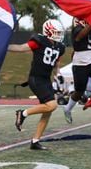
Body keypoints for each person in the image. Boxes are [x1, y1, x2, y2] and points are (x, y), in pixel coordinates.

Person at [9, 19, 66, 150]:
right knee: (52, 105)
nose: (58, 35)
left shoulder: (59, 47)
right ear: (48, 31)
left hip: (46, 80)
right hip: (36, 79)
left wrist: (58, 73)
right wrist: (5, 47)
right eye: (56, 32)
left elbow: (56, 63)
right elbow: (21, 48)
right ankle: (22, 113)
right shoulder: (39, 42)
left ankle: (35, 141)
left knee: (48, 110)